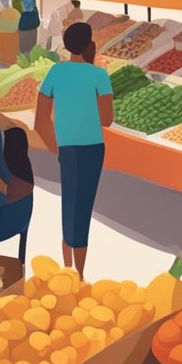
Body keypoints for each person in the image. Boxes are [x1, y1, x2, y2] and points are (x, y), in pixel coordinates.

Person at [35, 22, 112, 276]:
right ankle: (78, 273)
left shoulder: (55, 72)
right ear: (89, 45)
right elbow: (106, 119)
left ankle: (68, 268)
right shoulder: (99, 75)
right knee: (83, 206)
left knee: (69, 202)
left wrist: (57, 149)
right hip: (92, 148)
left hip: (68, 148)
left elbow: (40, 121)